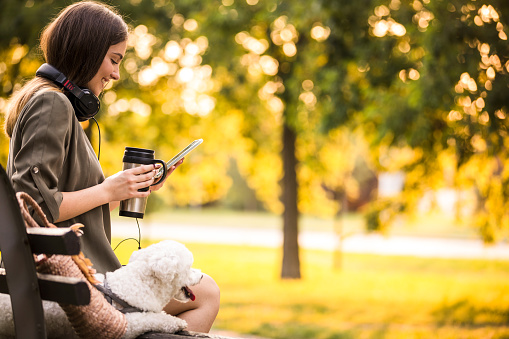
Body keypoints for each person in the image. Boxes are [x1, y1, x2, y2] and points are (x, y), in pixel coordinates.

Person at [3, 1, 219, 333]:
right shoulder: (52, 104)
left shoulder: (49, 103)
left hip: (66, 279)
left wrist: (127, 190)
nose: (116, 74)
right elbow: (32, 207)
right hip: (77, 286)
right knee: (206, 293)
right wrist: (108, 188)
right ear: (86, 52)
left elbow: (63, 205)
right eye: (114, 60)